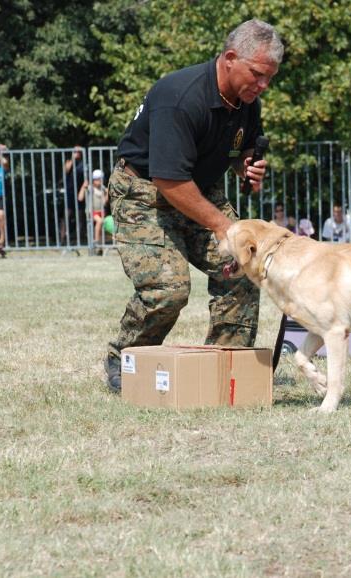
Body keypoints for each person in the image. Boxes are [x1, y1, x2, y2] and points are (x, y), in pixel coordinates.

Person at [104, 19, 283, 393]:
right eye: (257, 75)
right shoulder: (180, 97)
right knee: (167, 289)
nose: (263, 85)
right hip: (145, 192)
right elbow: (169, 180)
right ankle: (127, 358)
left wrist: (246, 164)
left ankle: (228, 364)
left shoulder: (247, 102)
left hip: (200, 189)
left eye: (269, 77)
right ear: (230, 58)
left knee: (245, 266)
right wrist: (223, 227)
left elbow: (237, 147)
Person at [62, 146, 87, 246]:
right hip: (70, 193)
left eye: (77, 152)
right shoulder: (69, 162)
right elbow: (66, 171)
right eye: (74, 151)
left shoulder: (83, 164)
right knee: (67, 215)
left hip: (79, 193)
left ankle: (79, 240)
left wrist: (82, 191)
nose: (76, 153)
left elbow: (86, 179)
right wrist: (72, 159)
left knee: (80, 216)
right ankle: (63, 240)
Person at [78, 169, 108, 251]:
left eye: (100, 179)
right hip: (92, 211)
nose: (99, 181)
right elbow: (80, 198)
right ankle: (96, 241)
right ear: (93, 180)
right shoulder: (90, 188)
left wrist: (107, 195)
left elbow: (104, 203)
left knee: (102, 228)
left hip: (101, 211)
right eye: (97, 179)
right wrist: (83, 187)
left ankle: (100, 248)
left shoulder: (103, 188)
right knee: (99, 221)